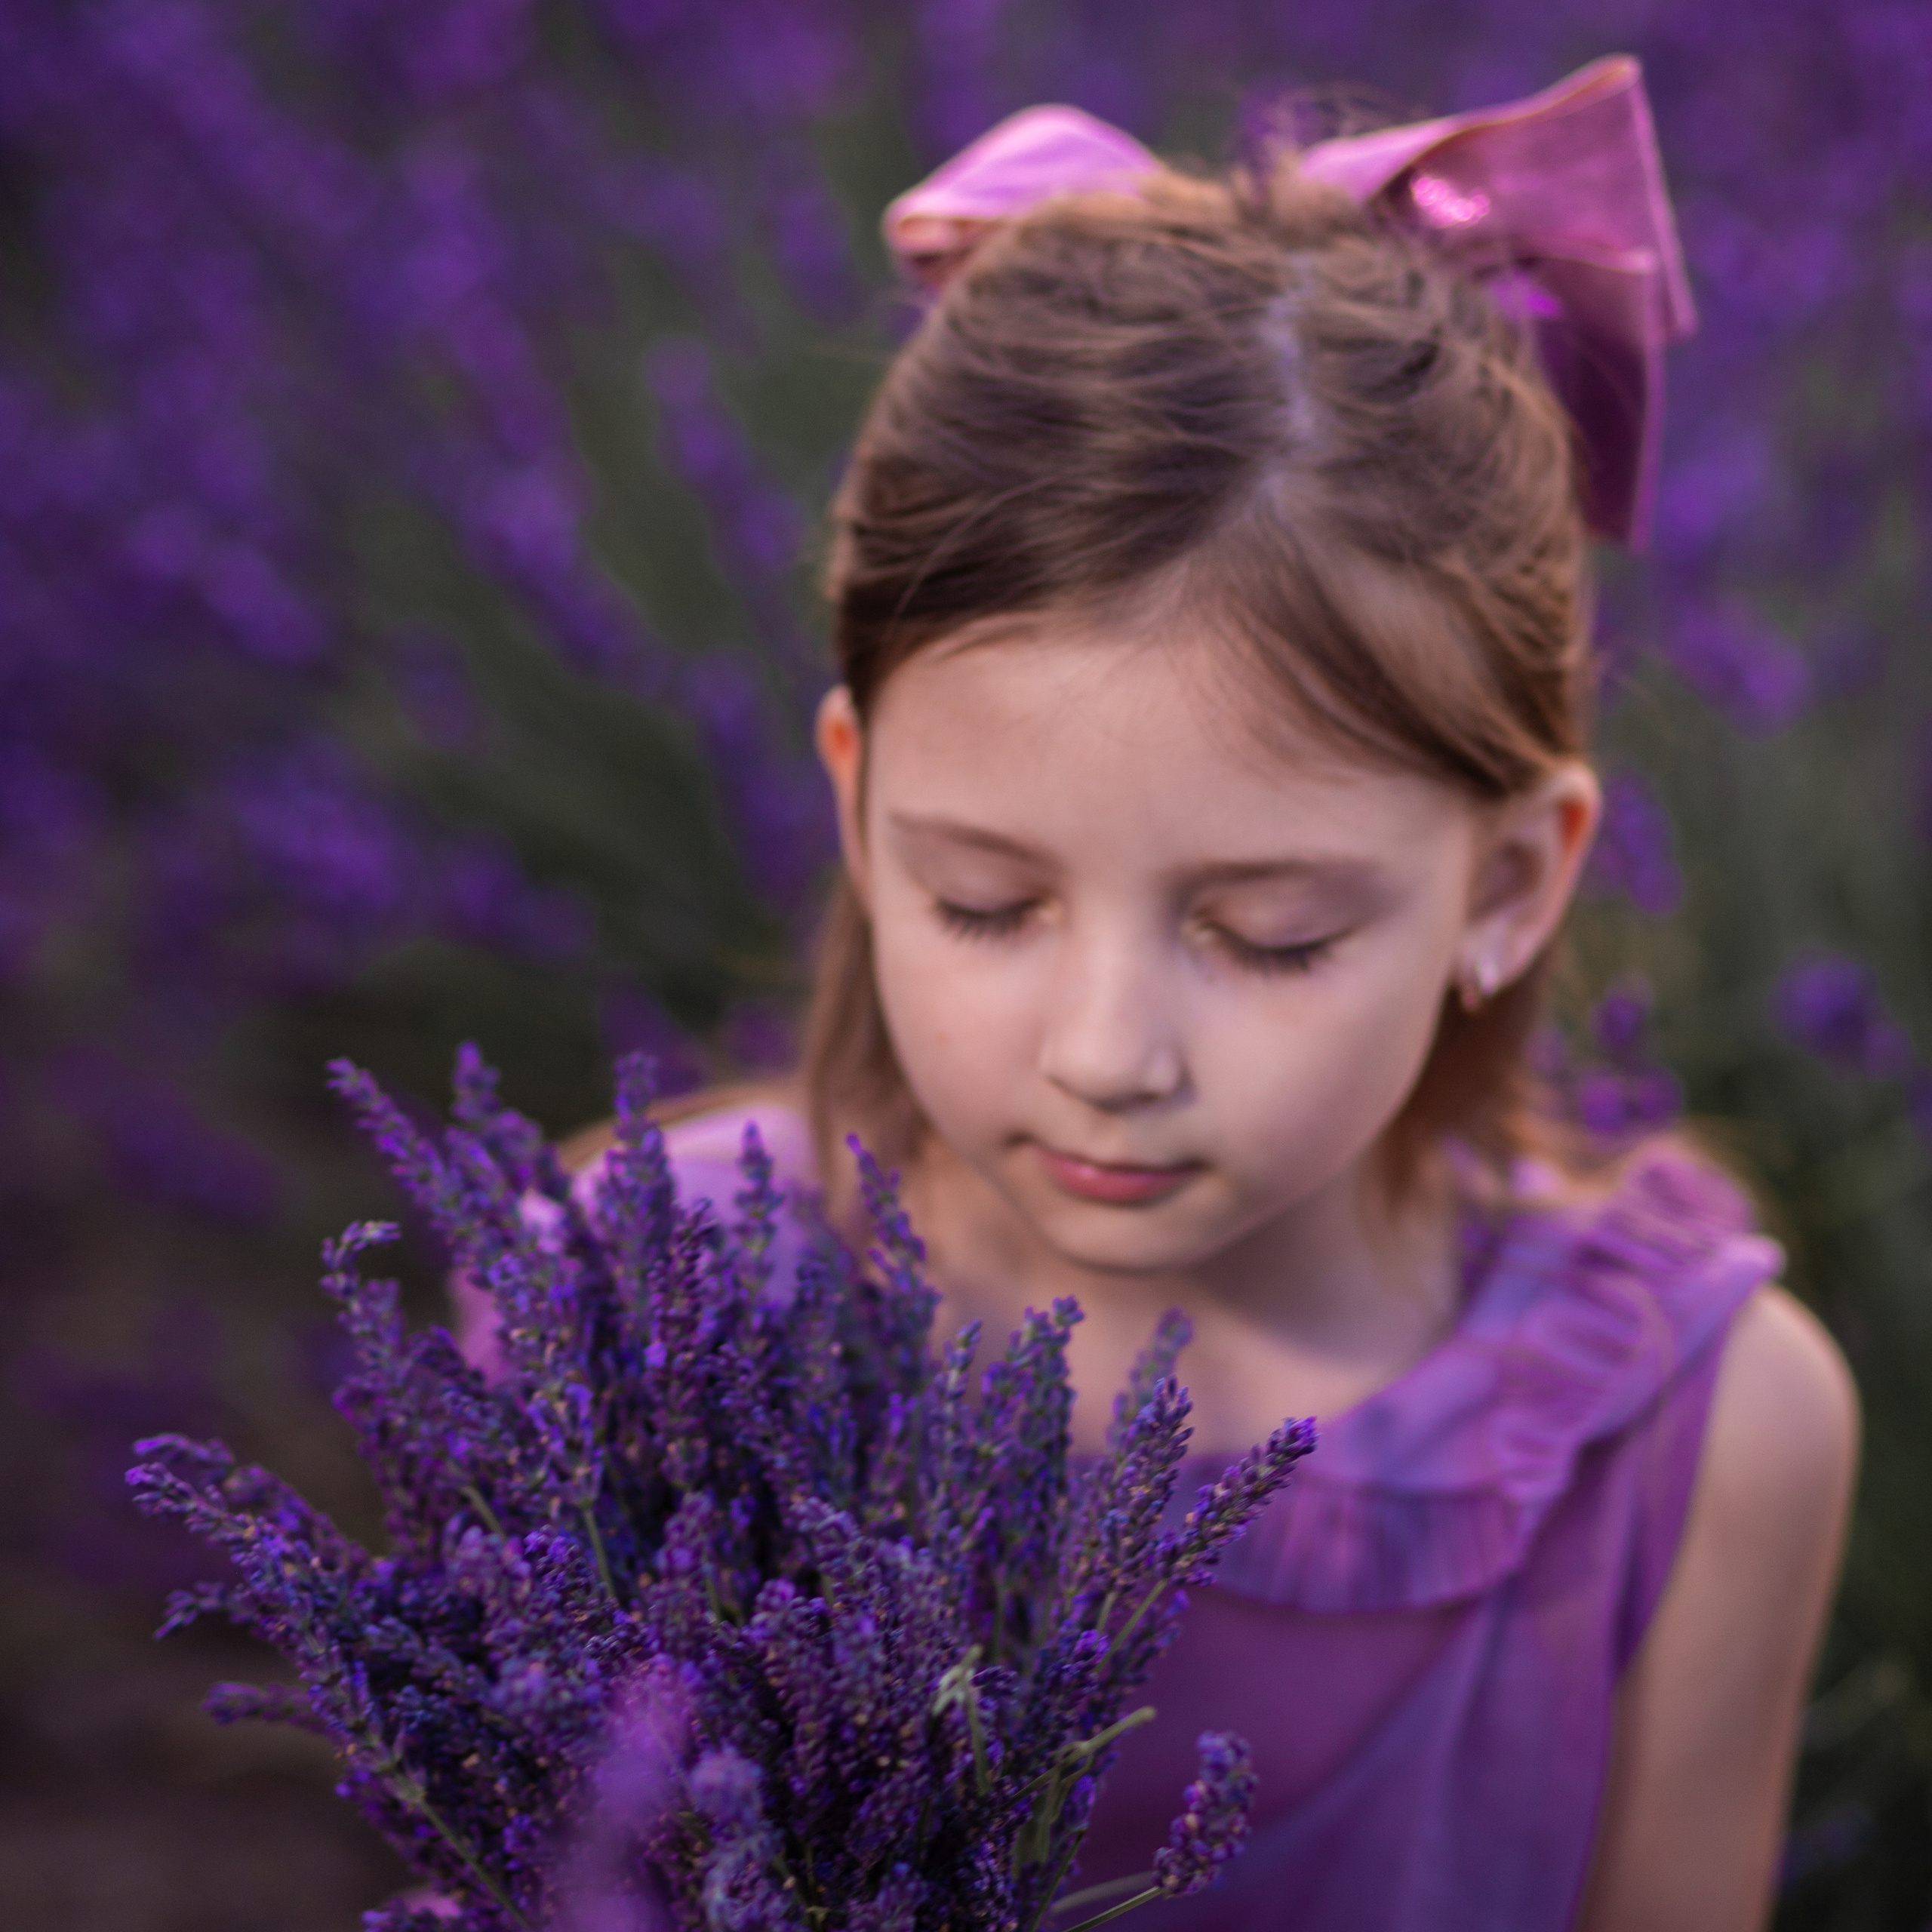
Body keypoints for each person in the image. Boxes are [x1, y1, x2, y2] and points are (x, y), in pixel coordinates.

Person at [460, 56, 1857, 1932]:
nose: (1105, 1054)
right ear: (856, 805)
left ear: (1509, 884)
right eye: (983, 900)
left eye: (1268, 931)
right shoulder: (622, 1298)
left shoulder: (1698, 1441)